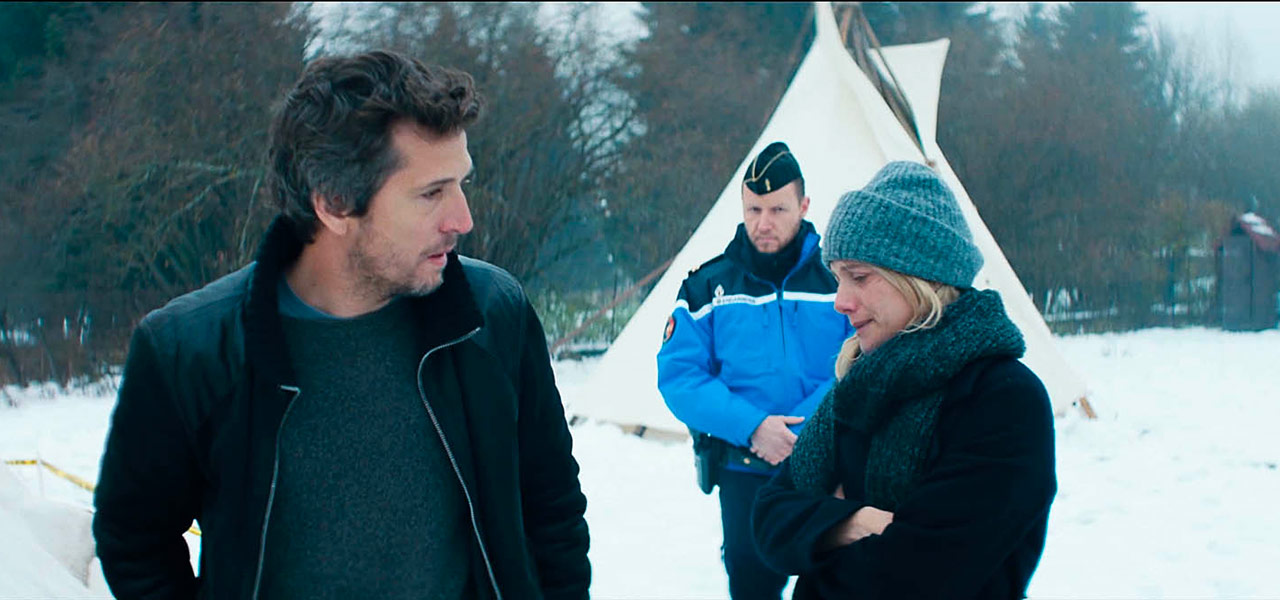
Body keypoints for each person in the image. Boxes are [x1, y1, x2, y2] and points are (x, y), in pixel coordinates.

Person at [92, 50, 590, 600]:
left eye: (460, 183)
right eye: (431, 193)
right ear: (333, 204)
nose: (463, 219)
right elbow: (133, 537)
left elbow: (553, 513)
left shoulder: (494, 317)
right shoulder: (189, 351)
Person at [751, 161, 1058, 599]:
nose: (840, 302)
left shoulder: (1004, 399)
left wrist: (818, 537)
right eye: (837, 279)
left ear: (921, 277)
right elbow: (768, 520)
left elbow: (916, 578)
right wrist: (853, 523)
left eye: (858, 277)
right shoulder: (858, 385)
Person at [657, 142, 853, 600]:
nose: (763, 223)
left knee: (838, 580)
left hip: (829, 463)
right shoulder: (708, 286)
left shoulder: (841, 278)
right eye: (754, 209)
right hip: (745, 470)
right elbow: (679, 376)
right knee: (752, 583)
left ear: (804, 206)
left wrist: (801, 431)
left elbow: (862, 360)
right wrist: (754, 428)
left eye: (778, 208)